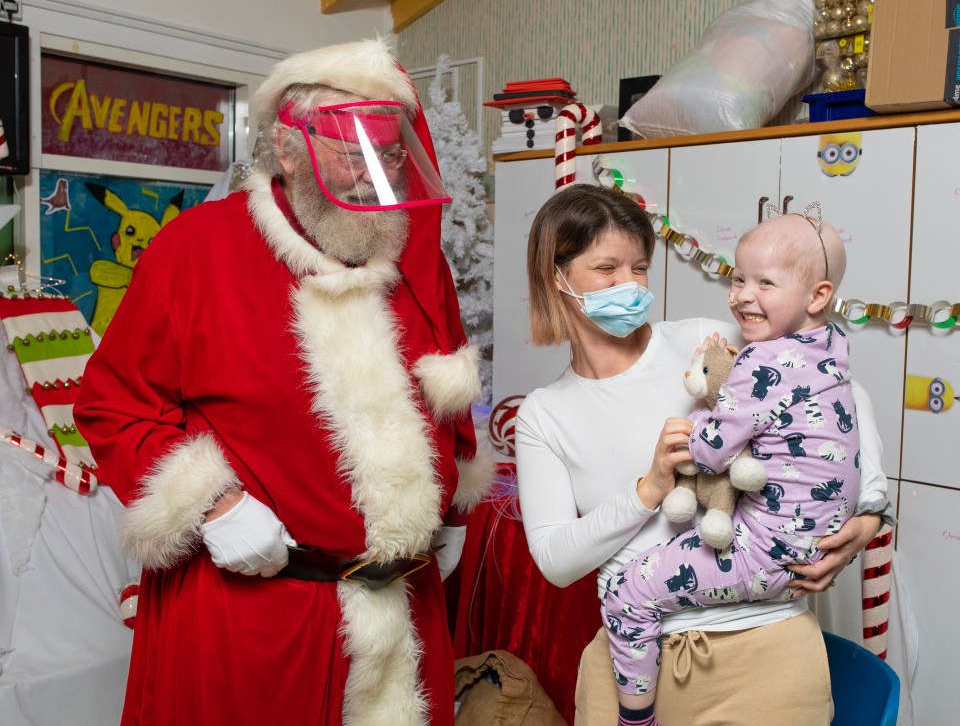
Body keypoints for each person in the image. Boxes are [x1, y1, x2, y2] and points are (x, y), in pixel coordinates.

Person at [74, 38, 493, 726]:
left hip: (398, 616)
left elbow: (443, 396)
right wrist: (212, 503)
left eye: (388, 152)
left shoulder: (416, 256)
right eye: (349, 148)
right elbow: (111, 403)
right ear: (288, 146)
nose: (373, 173)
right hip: (250, 619)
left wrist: (446, 509)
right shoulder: (195, 250)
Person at [515, 184, 894, 726]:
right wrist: (648, 489)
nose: (630, 284)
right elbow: (555, 561)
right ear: (557, 275)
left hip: (764, 651)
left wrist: (870, 516)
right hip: (628, 661)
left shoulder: (707, 340)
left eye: (640, 267)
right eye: (607, 269)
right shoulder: (544, 413)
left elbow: (841, 397)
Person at [603, 207, 862, 726]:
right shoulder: (832, 344)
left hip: (767, 553)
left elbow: (710, 451)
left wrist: (697, 411)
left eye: (765, 282)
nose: (742, 295)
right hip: (813, 544)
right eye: (739, 277)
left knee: (625, 593)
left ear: (817, 295)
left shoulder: (760, 362)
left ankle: (636, 719)